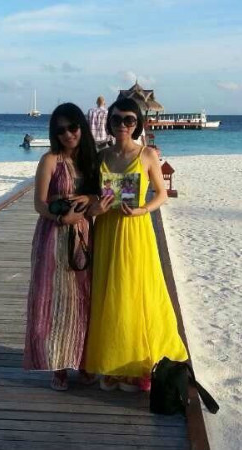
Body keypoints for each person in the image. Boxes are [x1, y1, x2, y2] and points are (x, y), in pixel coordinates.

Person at [84, 98, 188, 392]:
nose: (123, 125)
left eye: (129, 120)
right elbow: (92, 197)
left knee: (135, 291)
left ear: (137, 123)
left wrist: (143, 210)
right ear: (109, 122)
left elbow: (161, 194)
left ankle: (137, 362)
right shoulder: (101, 156)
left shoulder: (147, 154)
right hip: (107, 229)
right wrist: (96, 208)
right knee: (109, 293)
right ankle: (113, 363)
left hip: (136, 229)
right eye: (117, 119)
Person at [23, 103, 101, 391]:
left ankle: (82, 360)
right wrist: (60, 217)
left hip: (83, 234)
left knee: (82, 298)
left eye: (73, 127)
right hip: (54, 235)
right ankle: (58, 366)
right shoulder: (50, 160)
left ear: (82, 126)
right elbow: (39, 203)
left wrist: (89, 199)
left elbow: (103, 194)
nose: (68, 134)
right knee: (54, 298)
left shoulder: (90, 159)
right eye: (61, 130)